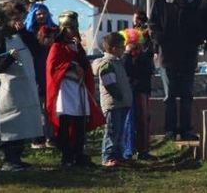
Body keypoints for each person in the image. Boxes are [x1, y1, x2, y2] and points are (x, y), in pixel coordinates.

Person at [45, 11, 105, 167]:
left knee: (80, 123)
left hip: (79, 88)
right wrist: (71, 66)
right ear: (64, 29)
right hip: (64, 90)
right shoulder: (57, 46)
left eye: (75, 27)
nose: (73, 30)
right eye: (70, 28)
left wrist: (82, 66)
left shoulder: (77, 45)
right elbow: (53, 66)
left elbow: (84, 64)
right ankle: (67, 157)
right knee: (65, 123)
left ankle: (78, 154)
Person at [149, 0, 202, 141]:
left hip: (188, 54)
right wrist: (161, 39)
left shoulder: (194, 0)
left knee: (187, 95)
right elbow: (153, 25)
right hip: (167, 55)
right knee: (169, 95)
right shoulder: (160, 0)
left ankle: (186, 129)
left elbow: (202, 23)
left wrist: (197, 39)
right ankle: (170, 130)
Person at [0, 2, 44, 171]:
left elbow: (37, 50)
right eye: (15, 19)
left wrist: (22, 31)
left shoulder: (24, 35)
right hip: (10, 89)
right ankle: (6, 159)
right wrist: (9, 58)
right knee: (8, 122)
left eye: (21, 18)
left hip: (26, 86)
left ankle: (17, 157)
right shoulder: (0, 37)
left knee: (22, 123)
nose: (18, 22)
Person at [94, 32, 134, 167]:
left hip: (121, 103)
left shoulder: (118, 63)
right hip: (113, 104)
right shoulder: (107, 64)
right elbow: (109, 84)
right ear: (113, 48)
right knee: (112, 132)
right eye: (121, 47)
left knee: (120, 132)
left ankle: (118, 155)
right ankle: (108, 156)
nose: (124, 49)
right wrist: (120, 96)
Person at [23, 2, 58, 148]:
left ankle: (51, 136)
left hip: (49, 70)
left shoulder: (55, 30)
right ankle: (37, 138)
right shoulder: (29, 32)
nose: (41, 16)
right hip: (35, 70)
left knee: (50, 107)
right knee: (36, 108)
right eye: (38, 14)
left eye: (44, 13)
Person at [121, 12, 155, 160]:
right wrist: (128, 54)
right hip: (130, 91)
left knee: (143, 120)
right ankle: (128, 149)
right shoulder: (125, 56)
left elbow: (148, 70)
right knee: (129, 121)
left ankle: (143, 150)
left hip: (141, 90)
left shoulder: (145, 54)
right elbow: (124, 70)